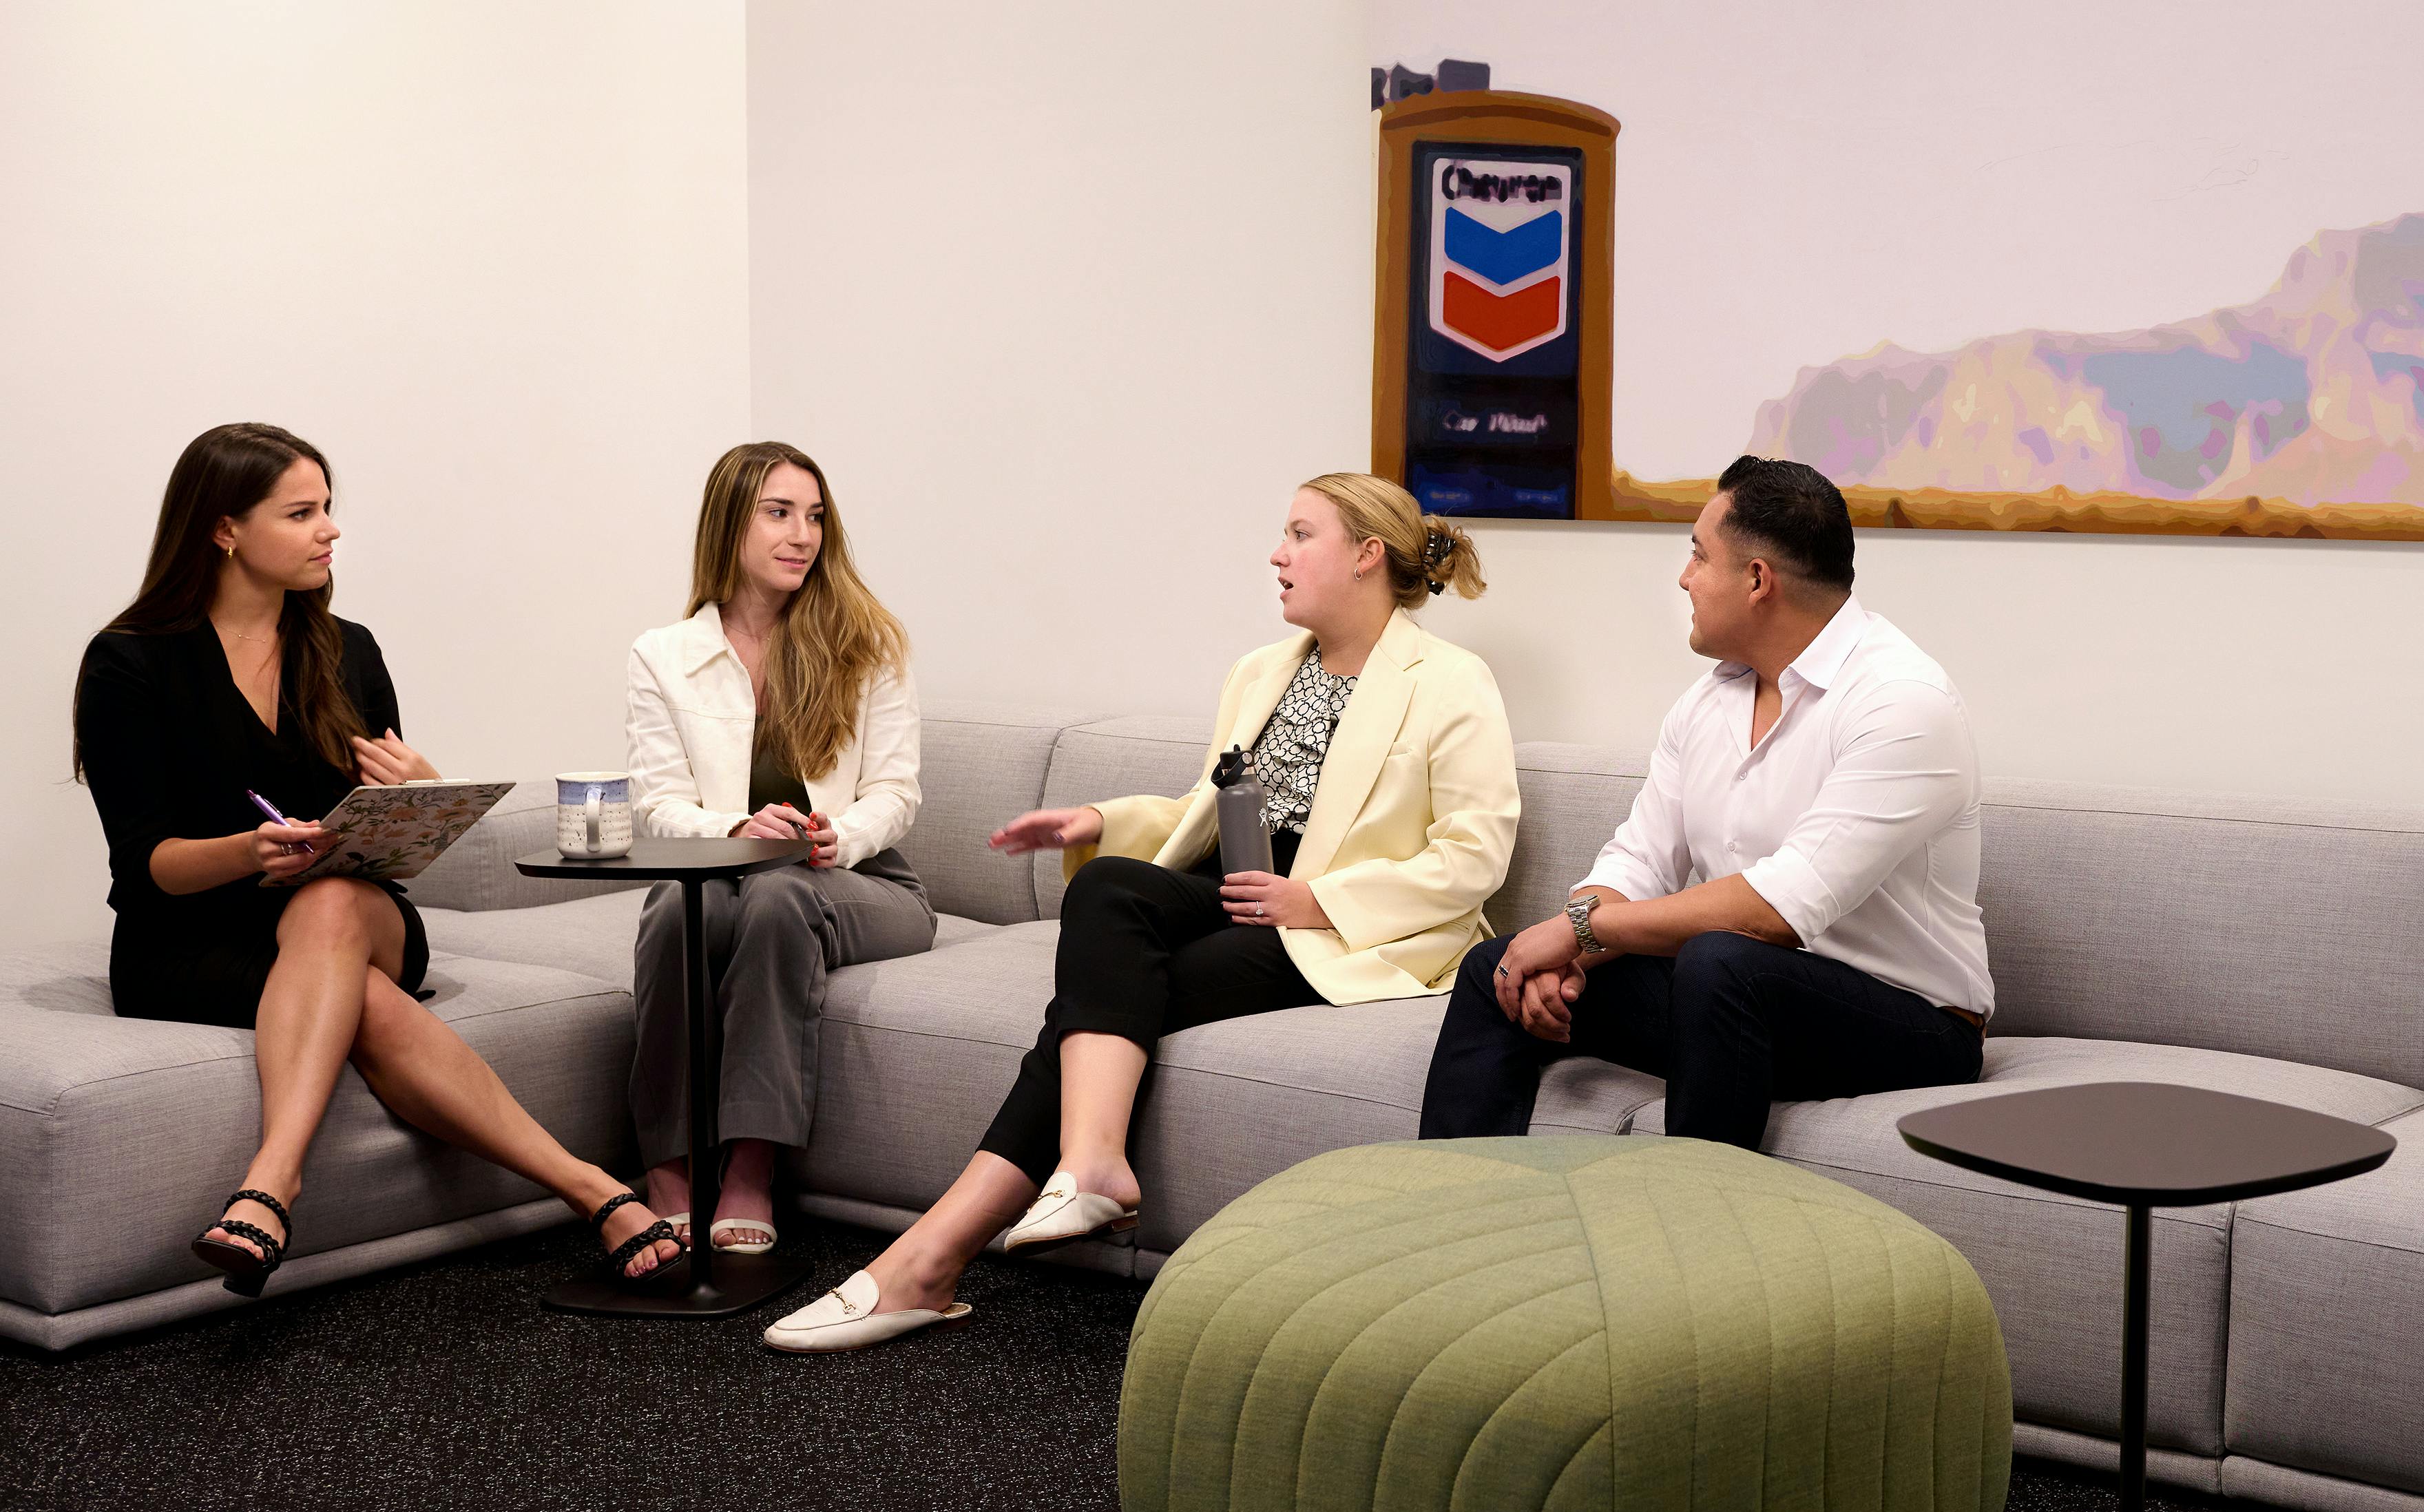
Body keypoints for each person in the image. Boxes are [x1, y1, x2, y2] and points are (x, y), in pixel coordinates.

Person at [761, 472, 1520, 1352]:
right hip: (1241, 891)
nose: (1276, 554)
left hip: (1345, 930)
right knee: (1106, 885)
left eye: (1299, 534)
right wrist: (1102, 821)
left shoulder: (1450, 682)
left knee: (1101, 1004)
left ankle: (932, 1256)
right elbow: (1212, 808)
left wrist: (1317, 900)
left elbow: (1475, 853)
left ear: (1365, 555)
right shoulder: (1264, 671)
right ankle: (1083, 1167)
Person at [72, 423, 683, 1295]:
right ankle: (590, 1187)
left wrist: (422, 793)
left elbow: (393, 867)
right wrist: (251, 853)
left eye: (328, 508)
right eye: (301, 512)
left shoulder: (347, 650)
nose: (330, 529)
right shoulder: (129, 664)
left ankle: (271, 1182)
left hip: (352, 912)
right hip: (190, 944)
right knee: (352, 987)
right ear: (224, 529)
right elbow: (146, 866)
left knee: (326, 907)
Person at [1419, 455, 1992, 1151]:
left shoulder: (1902, 701)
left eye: (1698, 555)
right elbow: (1638, 864)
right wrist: (1567, 954)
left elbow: (1777, 911)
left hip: (1911, 1024)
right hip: (1733, 998)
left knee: (1720, 961)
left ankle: (1696, 1242)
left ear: (1757, 580)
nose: (1683, 577)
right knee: (1500, 970)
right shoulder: (1709, 701)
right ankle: (1459, 1223)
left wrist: (1580, 932)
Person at [624, 442, 932, 1255]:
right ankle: (667, 1163)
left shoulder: (867, 644)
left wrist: (843, 835)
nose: (803, 535)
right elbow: (655, 806)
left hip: (863, 882)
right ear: (729, 524)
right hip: (728, 874)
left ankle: (751, 1168)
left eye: (816, 517)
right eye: (779, 513)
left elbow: (896, 793)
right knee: (672, 910)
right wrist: (733, 830)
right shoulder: (663, 656)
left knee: (779, 893)